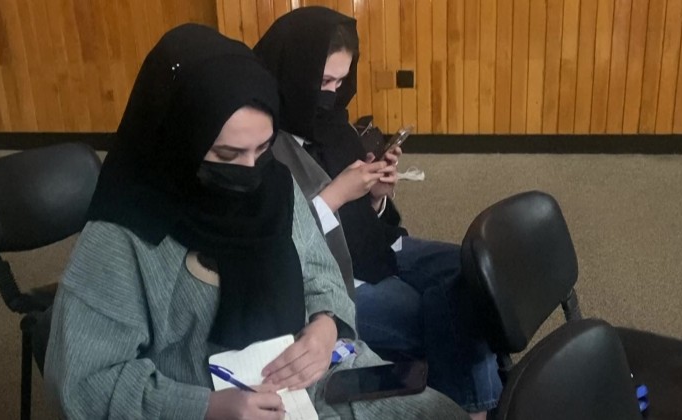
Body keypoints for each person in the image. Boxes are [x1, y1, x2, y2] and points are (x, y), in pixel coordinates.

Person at [43, 23, 467, 420]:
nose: (250, 171)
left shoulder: (275, 185)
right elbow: (84, 381)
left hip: (320, 378)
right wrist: (204, 408)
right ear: (178, 141)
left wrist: (325, 326)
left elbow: (321, 272)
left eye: (262, 149)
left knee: (439, 412)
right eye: (227, 155)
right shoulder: (122, 235)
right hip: (207, 402)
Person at [254, 7, 502, 418]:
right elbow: (278, 247)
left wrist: (375, 196)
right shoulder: (261, 143)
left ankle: (467, 402)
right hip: (339, 280)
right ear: (295, 74)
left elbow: (364, 218)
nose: (332, 94)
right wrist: (336, 195)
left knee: (475, 273)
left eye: (340, 81)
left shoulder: (332, 123)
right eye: (324, 82)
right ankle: (473, 410)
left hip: (378, 245)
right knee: (458, 316)